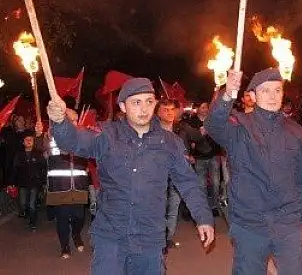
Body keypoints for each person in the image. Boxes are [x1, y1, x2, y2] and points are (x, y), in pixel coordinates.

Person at [46, 78, 214, 274]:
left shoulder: (170, 143)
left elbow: (189, 184)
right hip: (111, 237)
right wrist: (60, 123)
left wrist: (203, 217)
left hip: (149, 239)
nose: (144, 108)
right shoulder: (106, 135)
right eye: (136, 102)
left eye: (149, 101)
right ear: (123, 107)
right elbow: (73, 142)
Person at [205, 68, 302, 275]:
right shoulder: (238, 126)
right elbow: (212, 125)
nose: (272, 96)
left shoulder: (298, 133)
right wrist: (228, 93)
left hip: (287, 220)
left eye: (277, 90)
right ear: (253, 96)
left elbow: (301, 181)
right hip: (249, 222)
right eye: (265, 91)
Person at [156, 98, 201, 253]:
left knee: (173, 207)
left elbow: (196, 138)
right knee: (159, 209)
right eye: (165, 110)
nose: (169, 113)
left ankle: (167, 239)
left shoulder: (181, 129)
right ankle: (158, 240)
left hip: (176, 177)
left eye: (171, 109)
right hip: (158, 177)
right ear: (158, 113)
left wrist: (186, 157)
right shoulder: (152, 132)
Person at [45, 108, 90, 259]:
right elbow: (41, 147)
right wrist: (40, 134)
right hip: (59, 186)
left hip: (79, 185)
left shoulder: (83, 137)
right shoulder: (51, 137)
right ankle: (64, 245)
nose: (74, 123)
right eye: (71, 120)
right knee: (62, 219)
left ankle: (76, 235)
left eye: (76, 120)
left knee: (79, 217)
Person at [185, 102, 222, 217]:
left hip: (214, 156)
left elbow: (220, 134)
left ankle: (214, 205)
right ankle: (204, 208)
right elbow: (188, 137)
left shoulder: (212, 120)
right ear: (197, 109)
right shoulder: (192, 122)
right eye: (203, 107)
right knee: (201, 184)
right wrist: (193, 142)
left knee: (216, 183)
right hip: (199, 157)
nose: (206, 109)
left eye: (207, 107)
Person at [10, 129, 46, 230]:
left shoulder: (38, 154)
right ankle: (26, 212)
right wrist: (12, 182)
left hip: (34, 182)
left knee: (32, 204)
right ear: (23, 142)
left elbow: (44, 167)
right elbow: (14, 169)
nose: (29, 141)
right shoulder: (19, 155)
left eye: (31, 140)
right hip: (22, 183)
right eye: (27, 140)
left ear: (33, 141)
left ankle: (32, 222)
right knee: (23, 203)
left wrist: (43, 181)